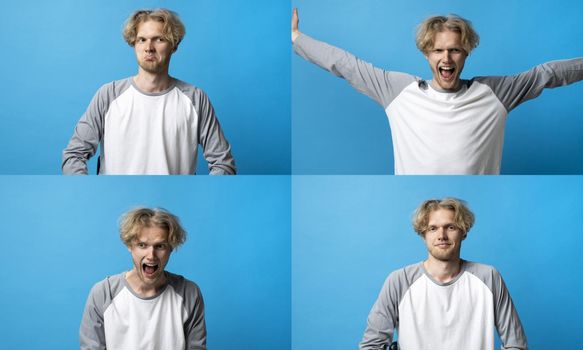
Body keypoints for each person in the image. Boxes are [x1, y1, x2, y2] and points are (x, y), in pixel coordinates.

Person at [291, 8, 583, 175]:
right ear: (426, 54)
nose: (447, 58)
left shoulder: (496, 93)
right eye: (438, 50)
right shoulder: (399, 91)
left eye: (455, 50)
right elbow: (346, 65)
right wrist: (296, 38)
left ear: (466, 53)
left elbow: (547, 74)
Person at [63, 9, 236, 175]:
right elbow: (74, 155)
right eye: (142, 40)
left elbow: (223, 163)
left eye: (159, 39)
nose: (149, 47)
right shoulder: (108, 95)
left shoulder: (195, 99)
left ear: (174, 45)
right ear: (134, 44)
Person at [359, 198, 527, 349]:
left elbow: (516, 344)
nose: (442, 236)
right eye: (433, 228)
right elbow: (371, 345)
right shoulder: (399, 281)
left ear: (464, 232)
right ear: (423, 235)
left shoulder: (489, 277)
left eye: (451, 227)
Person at [80, 208, 206, 350]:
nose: (151, 255)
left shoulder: (188, 293)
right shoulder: (103, 293)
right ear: (130, 246)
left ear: (171, 248)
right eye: (142, 245)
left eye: (160, 246)